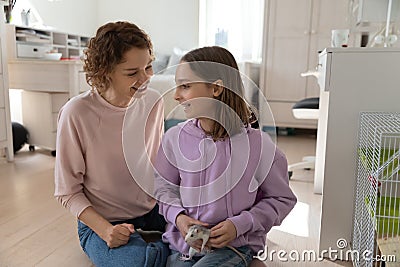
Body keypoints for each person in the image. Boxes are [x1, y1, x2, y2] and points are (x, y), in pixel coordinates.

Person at [154, 46, 297, 267]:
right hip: (183, 247)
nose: (176, 95)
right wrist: (179, 218)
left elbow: (282, 199)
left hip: (235, 246)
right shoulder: (174, 138)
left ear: (215, 88)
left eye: (185, 86)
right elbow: (163, 188)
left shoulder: (258, 145)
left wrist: (240, 224)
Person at [54, 21, 169, 267]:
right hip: (103, 222)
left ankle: (161, 248)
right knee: (141, 262)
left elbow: (158, 166)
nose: (146, 78)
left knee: (209, 236)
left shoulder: (154, 101)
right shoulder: (77, 113)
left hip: (154, 212)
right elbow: (67, 192)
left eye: (148, 67)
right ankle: (160, 250)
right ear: (105, 71)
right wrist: (106, 230)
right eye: (132, 72)